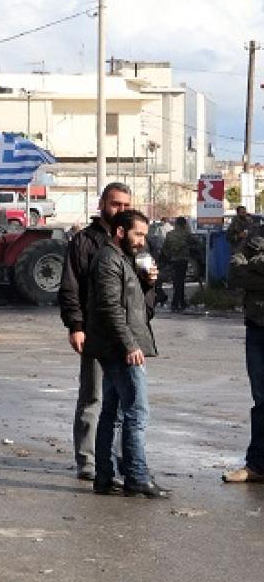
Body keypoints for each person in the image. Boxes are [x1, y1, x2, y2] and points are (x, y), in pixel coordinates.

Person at [84, 209, 168, 498]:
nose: (142, 241)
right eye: (138, 234)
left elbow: (131, 302)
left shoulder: (122, 259)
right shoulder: (108, 260)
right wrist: (130, 345)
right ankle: (136, 476)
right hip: (121, 349)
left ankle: (106, 477)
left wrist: (147, 282)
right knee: (136, 413)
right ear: (121, 232)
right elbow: (110, 308)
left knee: (114, 413)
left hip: (118, 346)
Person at [59, 181, 136, 481]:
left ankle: (117, 462)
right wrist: (76, 326)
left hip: (127, 335)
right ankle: (87, 460)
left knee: (126, 402)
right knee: (93, 397)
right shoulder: (84, 242)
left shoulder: (135, 240)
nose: (121, 210)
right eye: (116, 204)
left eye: (126, 205)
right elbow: (70, 287)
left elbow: (144, 289)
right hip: (94, 332)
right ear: (102, 204)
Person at [223, 234, 264, 483]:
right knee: (261, 400)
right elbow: (234, 275)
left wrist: (254, 266)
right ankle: (257, 466)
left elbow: (244, 271)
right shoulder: (255, 237)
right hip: (257, 328)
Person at [160, 216, 193, 313]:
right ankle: (176, 303)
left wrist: (169, 256)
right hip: (183, 259)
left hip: (173, 260)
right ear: (184, 224)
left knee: (177, 281)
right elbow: (194, 243)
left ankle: (181, 302)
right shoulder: (186, 234)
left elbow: (165, 248)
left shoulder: (170, 234)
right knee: (180, 282)